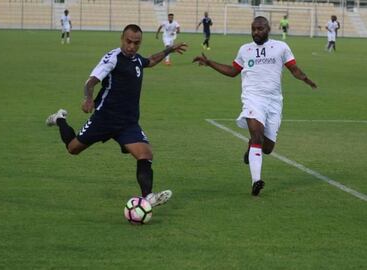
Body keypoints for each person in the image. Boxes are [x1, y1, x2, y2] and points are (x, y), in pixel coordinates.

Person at [46, 24, 187, 206]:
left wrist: (169, 49)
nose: (132, 46)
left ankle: (148, 197)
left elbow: (150, 60)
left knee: (145, 154)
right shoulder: (113, 58)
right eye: (128, 42)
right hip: (104, 119)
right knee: (73, 148)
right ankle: (60, 119)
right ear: (122, 39)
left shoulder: (136, 60)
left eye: (136, 43)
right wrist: (88, 99)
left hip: (128, 123)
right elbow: (90, 82)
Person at [193, 16, 317, 196]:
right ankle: (256, 181)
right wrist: (210, 62)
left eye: (259, 29)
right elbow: (233, 71)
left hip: (274, 101)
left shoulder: (281, 47)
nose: (256, 32)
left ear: (268, 29)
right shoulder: (245, 49)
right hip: (253, 99)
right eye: (253, 29)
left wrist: (306, 79)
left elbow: (294, 69)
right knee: (258, 136)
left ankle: (251, 145)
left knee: (267, 148)